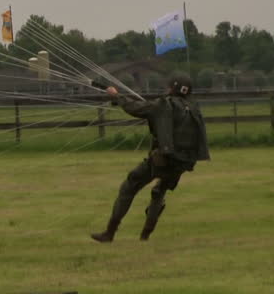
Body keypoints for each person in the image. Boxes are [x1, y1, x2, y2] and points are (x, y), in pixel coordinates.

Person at [90, 75, 210, 242]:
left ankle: (109, 233)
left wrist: (116, 96)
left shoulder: (164, 105)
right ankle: (145, 236)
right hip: (184, 162)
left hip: (164, 158)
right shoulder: (193, 108)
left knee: (130, 185)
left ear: (172, 89)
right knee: (159, 192)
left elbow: (136, 108)